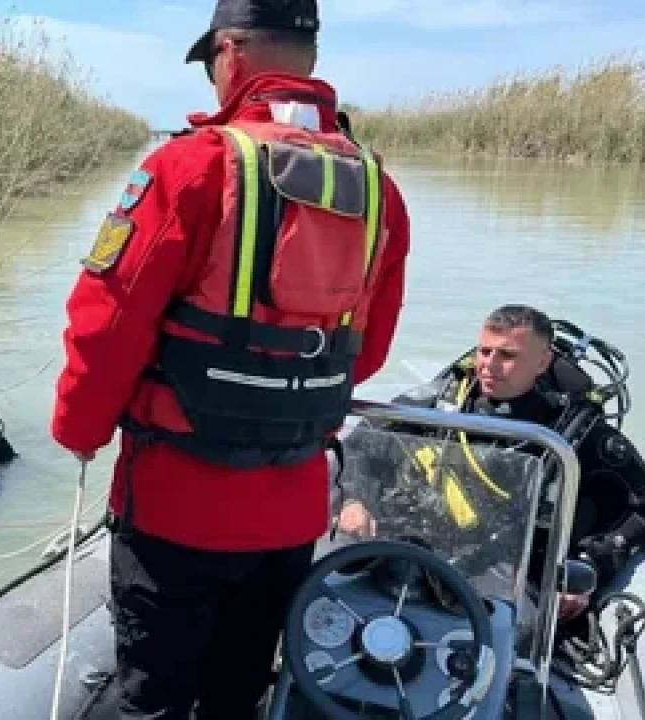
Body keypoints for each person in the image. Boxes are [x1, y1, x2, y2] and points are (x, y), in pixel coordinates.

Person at [49, 0, 413, 717]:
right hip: (292, 506)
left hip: (176, 505)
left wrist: (78, 431)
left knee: (150, 693)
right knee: (240, 688)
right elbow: (365, 354)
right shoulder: (379, 191)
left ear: (232, 53)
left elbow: (106, 325)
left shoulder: (191, 167)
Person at [336, 305, 645, 621]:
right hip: (418, 555)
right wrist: (354, 500)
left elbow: (643, 509)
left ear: (542, 361)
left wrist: (590, 566)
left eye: (507, 355)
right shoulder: (441, 403)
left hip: (507, 580)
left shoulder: (574, 432)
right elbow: (361, 447)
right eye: (484, 351)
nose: (489, 366)